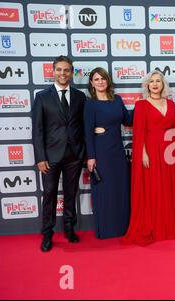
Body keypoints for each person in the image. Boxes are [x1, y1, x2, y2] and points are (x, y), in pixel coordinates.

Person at [122, 70, 175, 245]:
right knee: (153, 188)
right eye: (151, 81)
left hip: (169, 152)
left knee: (169, 187)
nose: (154, 84)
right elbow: (139, 132)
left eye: (158, 81)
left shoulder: (170, 103)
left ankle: (170, 225)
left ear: (163, 85)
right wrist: (143, 153)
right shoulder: (141, 105)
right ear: (147, 85)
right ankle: (155, 225)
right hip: (151, 151)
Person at [32, 55, 86, 252]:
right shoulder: (42, 97)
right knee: (49, 195)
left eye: (66, 70)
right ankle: (47, 234)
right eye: (59, 70)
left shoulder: (80, 97)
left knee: (71, 193)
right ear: (53, 71)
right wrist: (40, 157)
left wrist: (83, 153)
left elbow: (82, 126)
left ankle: (69, 229)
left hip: (74, 155)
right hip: (50, 157)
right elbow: (37, 130)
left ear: (71, 73)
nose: (63, 73)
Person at [83, 67, 132, 238]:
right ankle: (106, 229)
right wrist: (91, 157)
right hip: (100, 152)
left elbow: (129, 120)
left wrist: (147, 104)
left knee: (120, 189)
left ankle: (122, 227)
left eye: (103, 78)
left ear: (108, 80)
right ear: (92, 83)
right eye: (97, 79)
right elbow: (88, 132)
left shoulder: (117, 100)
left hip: (117, 151)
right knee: (104, 190)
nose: (101, 82)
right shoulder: (90, 104)